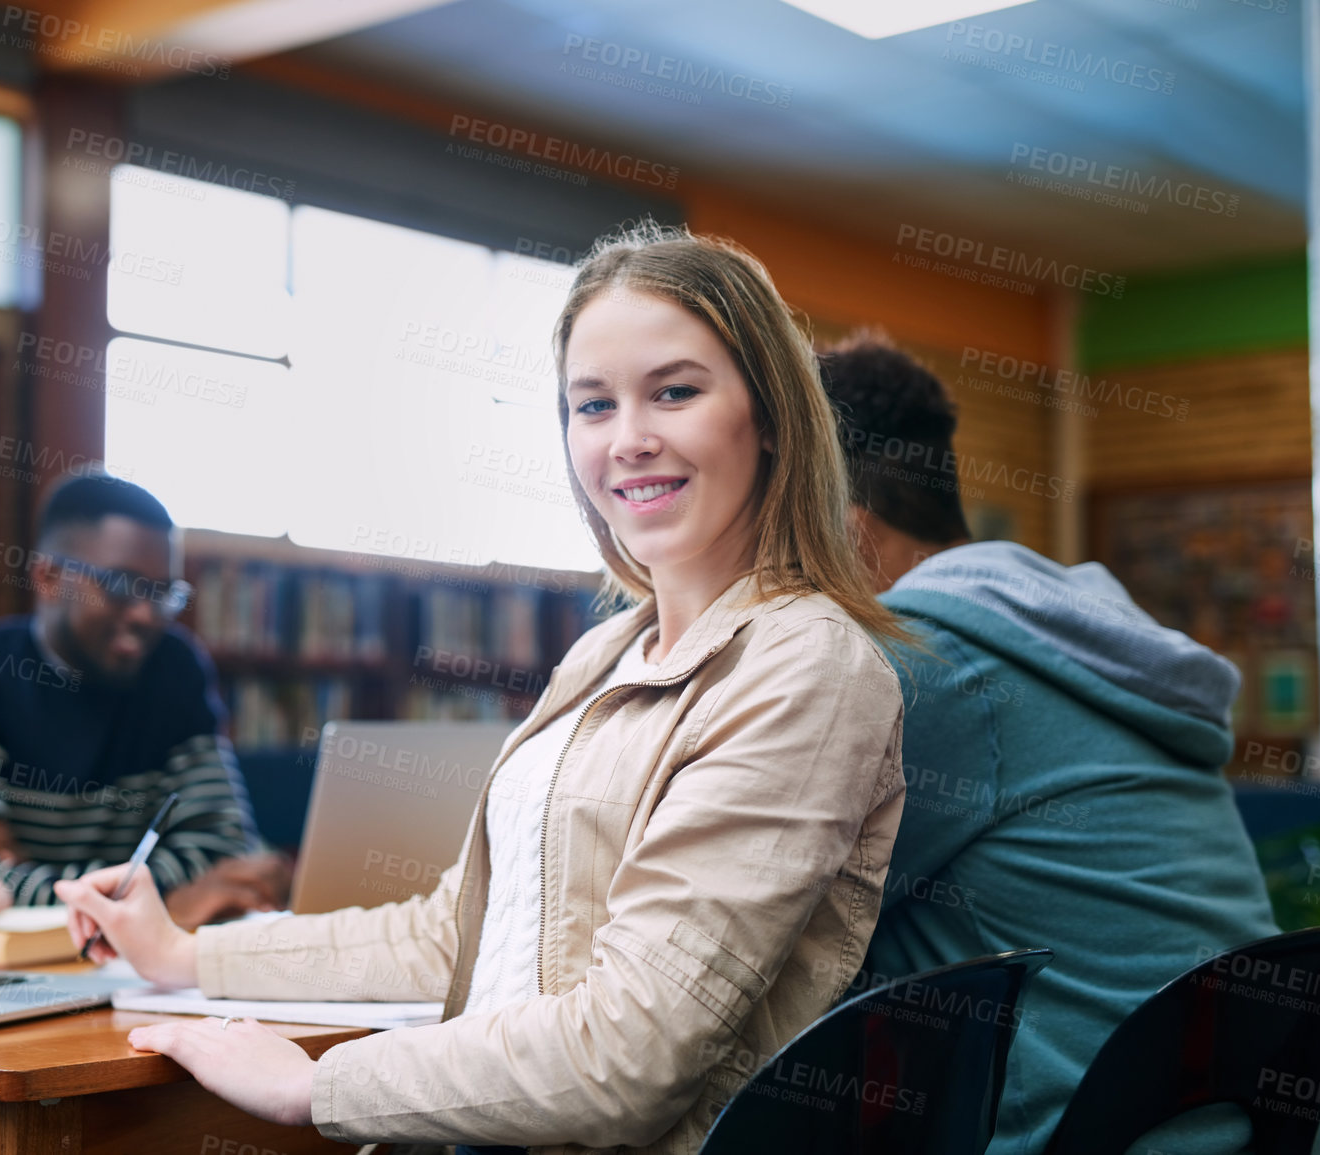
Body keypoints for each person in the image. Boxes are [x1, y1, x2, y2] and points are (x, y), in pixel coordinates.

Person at [54, 224, 908, 1155]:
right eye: (592, 405)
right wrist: (184, 953)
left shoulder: (804, 666)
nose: (628, 439)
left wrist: (319, 1084)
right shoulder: (605, 655)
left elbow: (628, 1054)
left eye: (674, 391)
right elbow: (450, 934)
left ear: (771, 416)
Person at [817, 334, 1279, 1155]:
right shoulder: (1063, 628)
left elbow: (777, 923)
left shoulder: (931, 666)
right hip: (1223, 1127)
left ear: (849, 533)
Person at [0, 472, 285, 925]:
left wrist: (36, 876)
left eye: (162, 592)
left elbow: (223, 851)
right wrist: (170, 898)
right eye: (121, 584)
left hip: (140, 967)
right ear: (48, 578)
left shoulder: (175, 668)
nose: (146, 614)